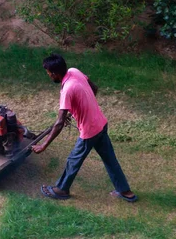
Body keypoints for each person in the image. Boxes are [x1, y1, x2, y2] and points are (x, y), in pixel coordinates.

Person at [31, 54, 137, 202]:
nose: (48, 75)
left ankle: (61, 190)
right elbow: (94, 88)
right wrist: (79, 108)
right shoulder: (74, 71)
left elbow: (59, 122)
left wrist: (44, 145)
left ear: (54, 73)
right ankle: (125, 192)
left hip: (90, 131)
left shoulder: (67, 89)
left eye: (48, 73)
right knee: (110, 159)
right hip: (100, 122)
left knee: (73, 160)